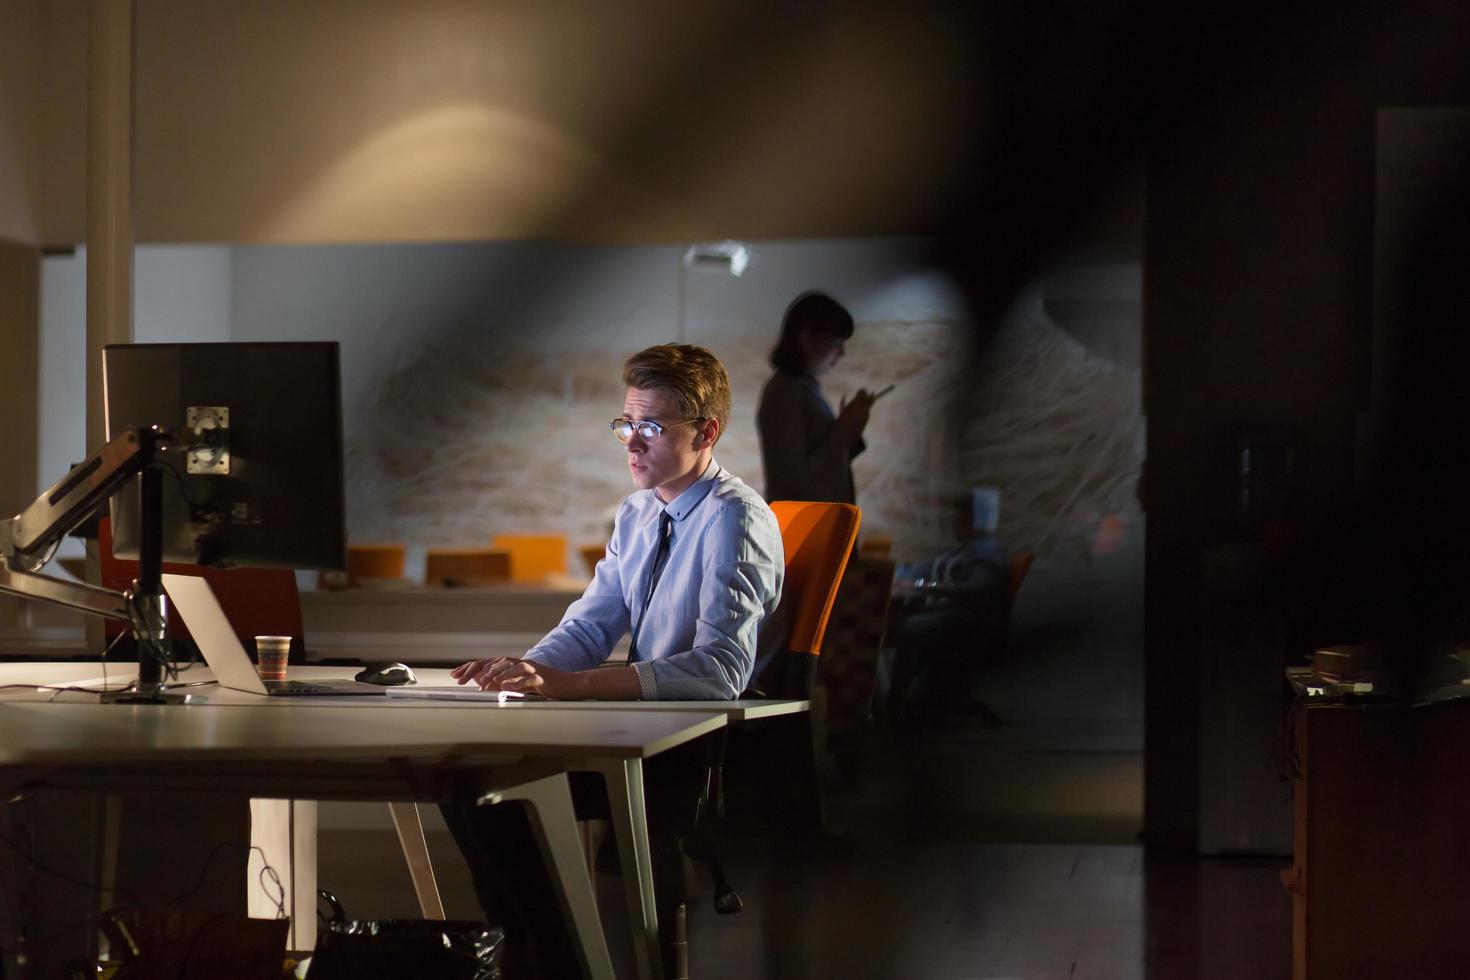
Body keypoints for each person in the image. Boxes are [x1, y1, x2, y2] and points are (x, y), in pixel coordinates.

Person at [442, 343, 784, 977]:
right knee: (461, 780)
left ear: (707, 433)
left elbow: (721, 669)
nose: (631, 443)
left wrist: (573, 685)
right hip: (633, 731)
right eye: (625, 423)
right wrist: (525, 674)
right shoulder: (637, 513)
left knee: (489, 793)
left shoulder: (736, 519)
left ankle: (555, 961)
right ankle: (535, 952)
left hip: (686, 748)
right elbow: (590, 625)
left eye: (651, 427)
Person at [882, 490, 1011, 727]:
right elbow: (916, 571)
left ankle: (895, 700)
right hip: (940, 611)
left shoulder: (988, 554)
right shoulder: (955, 551)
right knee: (889, 621)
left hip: (968, 619)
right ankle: (890, 699)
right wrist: (896, 576)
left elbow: (975, 591)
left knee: (911, 628)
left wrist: (924, 587)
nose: (952, 522)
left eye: (959, 517)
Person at [756, 291, 876, 505]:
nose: (841, 353)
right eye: (836, 343)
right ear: (807, 338)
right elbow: (794, 478)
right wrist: (844, 430)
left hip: (814, 523)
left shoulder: (804, 389)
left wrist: (848, 426)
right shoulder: (784, 392)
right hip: (805, 529)